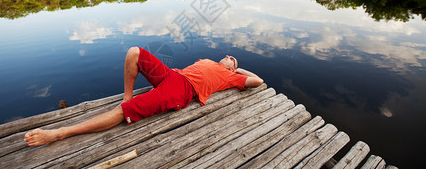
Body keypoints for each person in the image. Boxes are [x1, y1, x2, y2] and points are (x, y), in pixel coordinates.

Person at [24, 47, 263, 146]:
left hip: (181, 91)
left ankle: (59, 133)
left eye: (233, 59)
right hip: (172, 75)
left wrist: (237, 69)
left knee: (121, 114)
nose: (229, 56)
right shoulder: (207, 61)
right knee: (134, 53)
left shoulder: (231, 76)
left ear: (233, 68)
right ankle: (127, 97)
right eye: (229, 57)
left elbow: (258, 81)